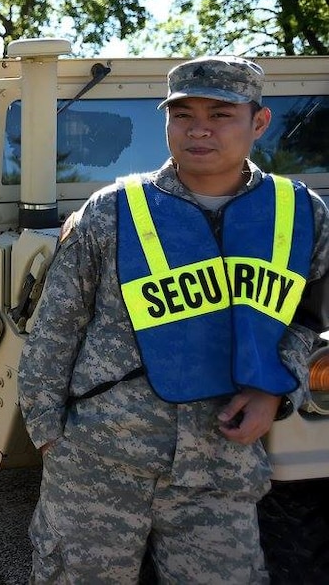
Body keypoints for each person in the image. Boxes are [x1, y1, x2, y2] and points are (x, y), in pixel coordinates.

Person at [19, 55, 329, 583]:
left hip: (220, 464)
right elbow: (55, 326)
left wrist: (276, 390)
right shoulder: (112, 210)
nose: (199, 128)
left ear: (258, 121)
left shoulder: (301, 215)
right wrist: (50, 435)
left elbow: (307, 317)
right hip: (101, 458)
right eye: (182, 114)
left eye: (220, 113)